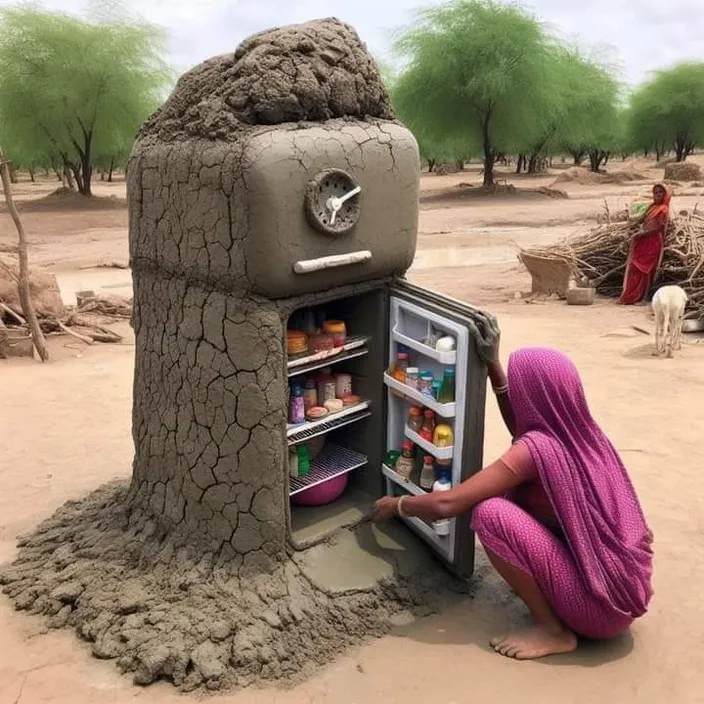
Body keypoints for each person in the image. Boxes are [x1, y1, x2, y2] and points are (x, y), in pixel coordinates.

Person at [373, 347, 653, 660]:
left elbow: (448, 504)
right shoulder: (584, 435)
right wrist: (493, 366)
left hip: (595, 612)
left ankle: (553, 631)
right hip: (621, 594)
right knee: (508, 493)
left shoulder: (535, 451)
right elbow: (524, 431)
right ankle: (553, 596)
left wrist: (398, 505)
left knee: (490, 512)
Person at [619, 183, 671, 305]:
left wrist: (641, 234)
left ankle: (644, 298)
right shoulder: (651, 207)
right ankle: (631, 296)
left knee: (647, 269)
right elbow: (641, 220)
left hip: (653, 241)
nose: (657, 195)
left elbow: (658, 228)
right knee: (634, 267)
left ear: (665, 194)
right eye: (655, 192)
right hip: (642, 240)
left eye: (660, 192)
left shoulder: (664, 209)